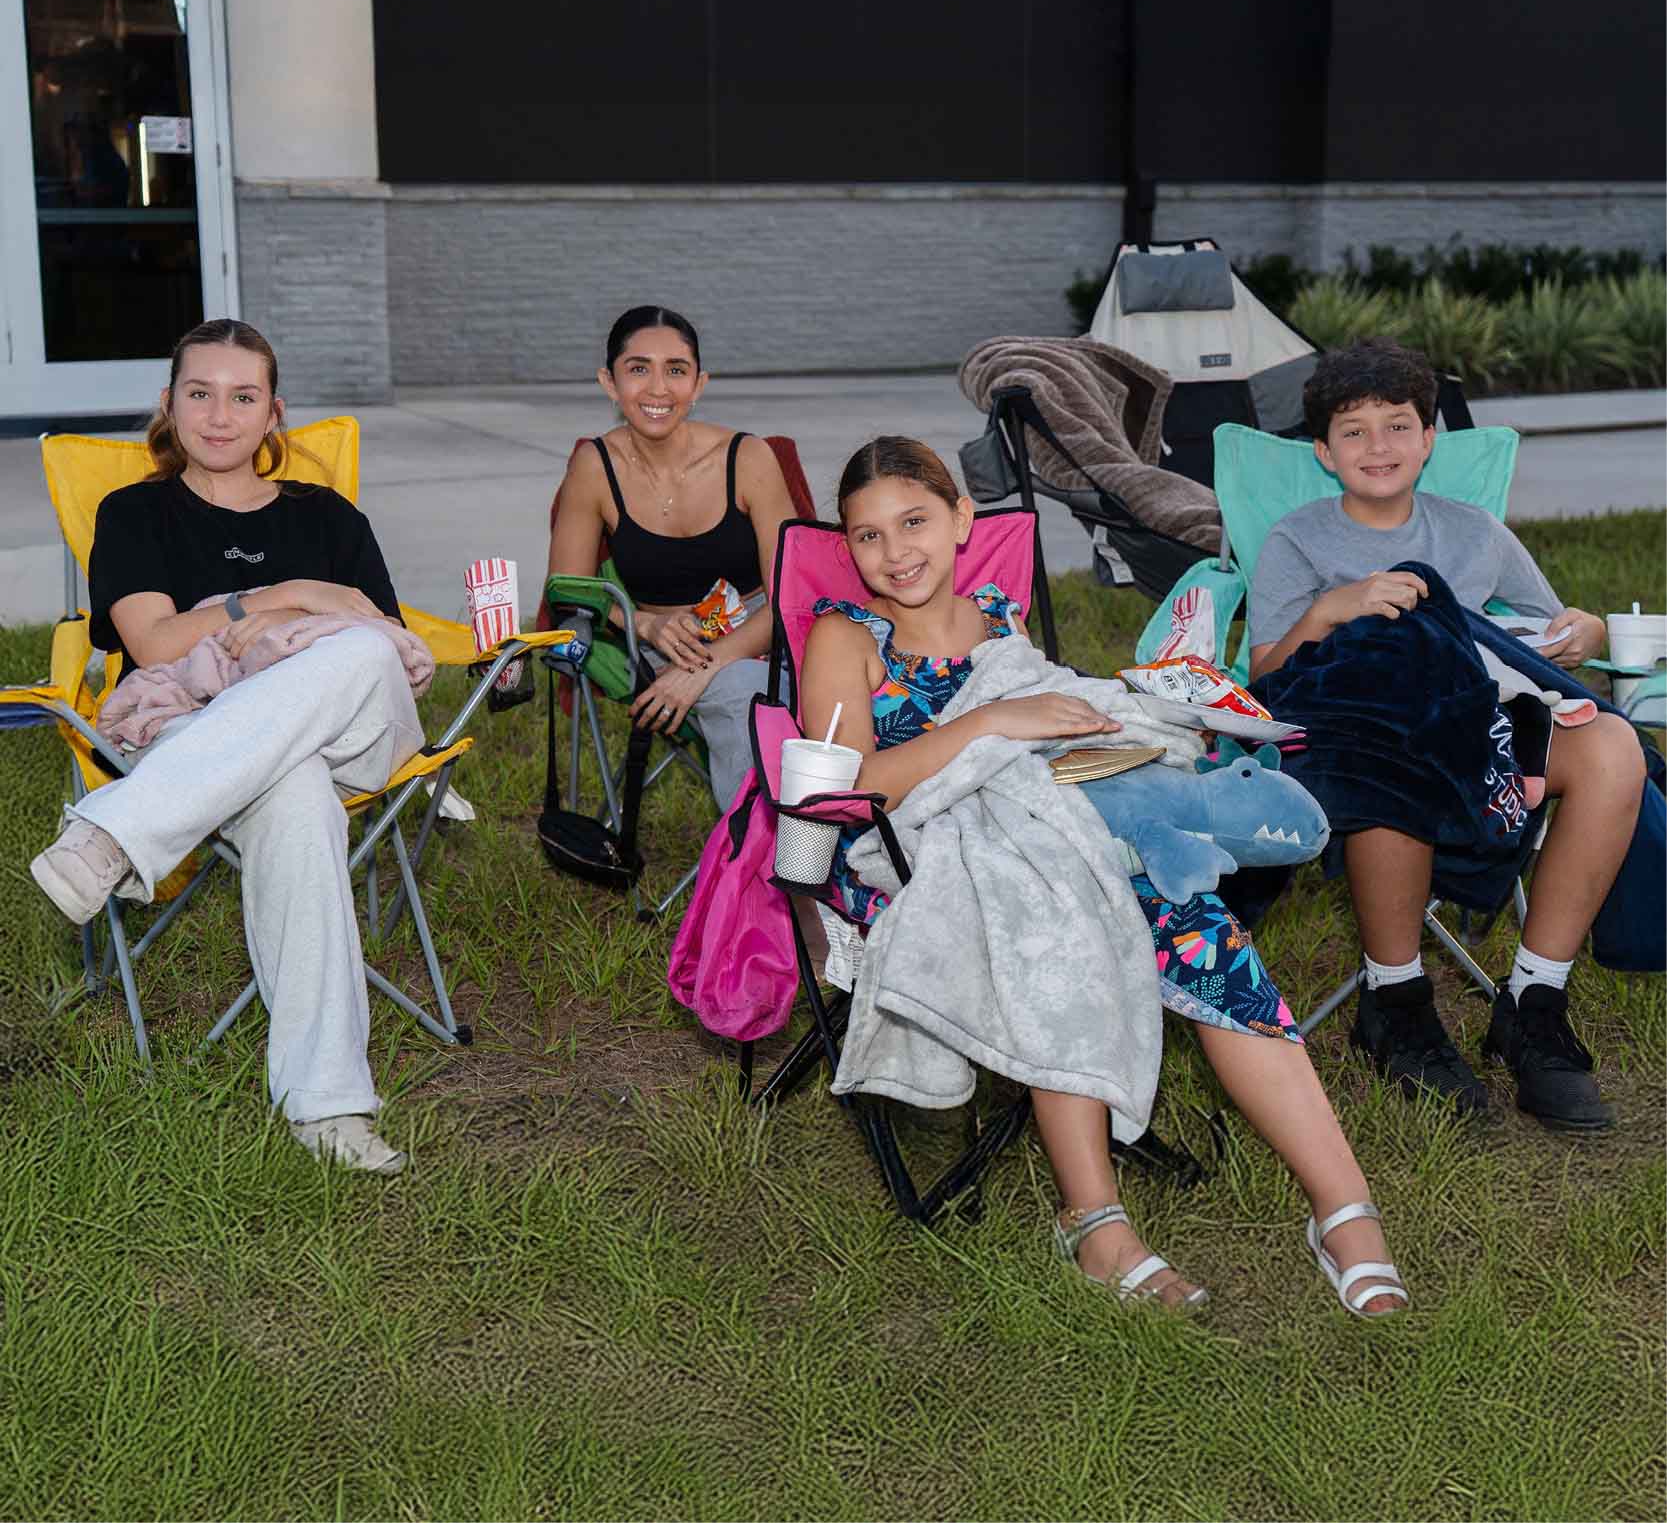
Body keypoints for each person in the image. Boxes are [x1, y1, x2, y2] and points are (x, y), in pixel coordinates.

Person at [799, 435, 1408, 1315]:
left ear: (963, 518)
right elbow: (853, 789)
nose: (895, 552)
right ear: (847, 547)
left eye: (914, 521)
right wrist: (995, 721)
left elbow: (1050, 732)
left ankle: (1344, 1210)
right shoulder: (844, 636)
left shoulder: (997, 616)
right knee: (1059, 917)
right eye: (867, 536)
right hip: (913, 857)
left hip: (1049, 825)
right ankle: (1094, 1220)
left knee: (1201, 925)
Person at [29, 319, 423, 1175]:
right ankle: (329, 1106)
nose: (219, 415)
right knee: (293, 799)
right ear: (168, 407)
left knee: (354, 651)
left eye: (243, 396)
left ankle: (118, 829)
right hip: (209, 737)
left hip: (355, 726)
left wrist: (292, 614)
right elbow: (158, 645)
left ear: (273, 413)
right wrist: (283, 594)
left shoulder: (330, 515)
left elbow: (382, 641)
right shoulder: (134, 511)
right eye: (198, 393)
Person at [1248, 337, 1647, 1130]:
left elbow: (1545, 631)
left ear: (1429, 439)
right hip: (1356, 733)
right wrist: (1333, 608)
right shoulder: (1298, 539)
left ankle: (1533, 1000)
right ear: (1323, 452)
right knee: (1397, 750)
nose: (1377, 446)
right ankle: (1394, 999)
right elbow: (1265, 674)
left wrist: (1589, 629)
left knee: (1611, 745)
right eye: (1353, 431)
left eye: (1397, 426)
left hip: (1485, 727)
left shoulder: (1475, 532)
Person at [546, 305, 797, 809]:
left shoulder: (746, 458)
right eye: (638, 369)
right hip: (664, 642)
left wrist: (708, 666)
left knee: (755, 693)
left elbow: (793, 592)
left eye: (676, 370)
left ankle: (787, 856)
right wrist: (642, 625)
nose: (658, 389)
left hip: (763, 628)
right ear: (609, 382)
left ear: (699, 383)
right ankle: (774, 867)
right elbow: (569, 590)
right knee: (754, 702)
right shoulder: (595, 467)